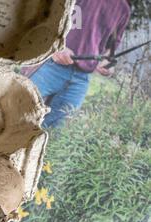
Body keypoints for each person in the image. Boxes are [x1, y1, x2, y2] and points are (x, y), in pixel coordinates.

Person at [29, 0, 131, 128]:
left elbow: (109, 48)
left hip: (80, 79)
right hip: (49, 65)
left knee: (55, 132)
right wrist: (56, 44)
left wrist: (108, 64)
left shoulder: (123, 8)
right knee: (16, 113)